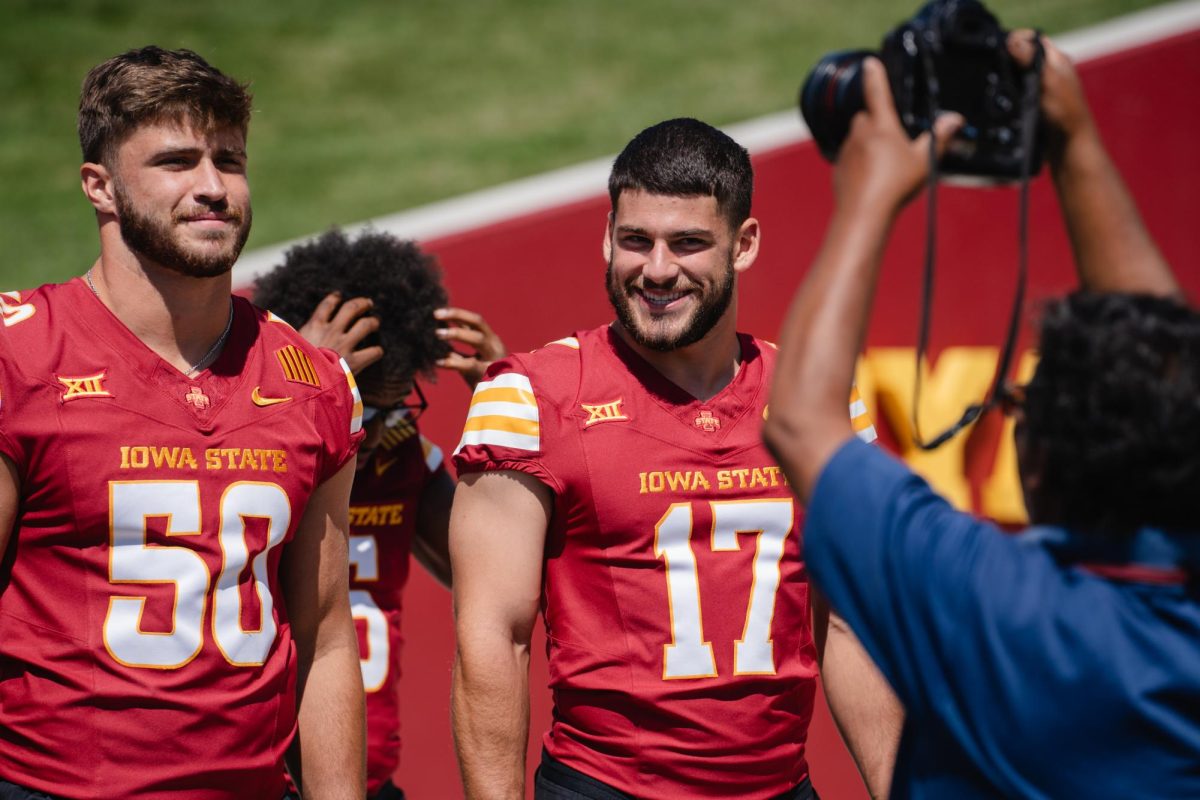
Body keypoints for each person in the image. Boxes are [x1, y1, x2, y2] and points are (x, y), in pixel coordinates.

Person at [763, 31, 1200, 799]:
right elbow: (1164, 369)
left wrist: (871, 191)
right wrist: (1077, 144)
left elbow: (798, 419)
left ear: (1036, 462)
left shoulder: (988, 602)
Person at [449, 117, 892, 800]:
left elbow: (853, 623)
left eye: (687, 243)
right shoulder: (529, 396)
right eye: (635, 241)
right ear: (606, 237)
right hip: (606, 787)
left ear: (743, 245)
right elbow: (493, 640)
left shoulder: (820, 398)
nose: (657, 270)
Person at [0, 47, 366, 799]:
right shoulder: (20, 356)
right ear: (99, 186)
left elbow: (326, 637)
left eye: (228, 161)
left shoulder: (316, 382)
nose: (212, 188)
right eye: (175, 161)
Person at [253, 228, 507, 800]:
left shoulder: (402, 455)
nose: (368, 430)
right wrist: (294, 390)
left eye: (387, 407)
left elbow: (503, 566)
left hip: (364, 780)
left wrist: (505, 409)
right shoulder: (255, 449)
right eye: (355, 403)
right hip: (264, 777)